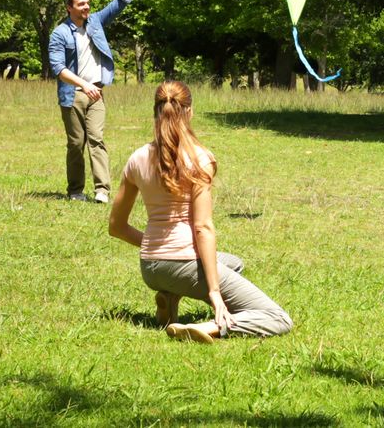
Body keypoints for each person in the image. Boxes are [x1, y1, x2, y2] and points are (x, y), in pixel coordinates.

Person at [108, 81, 293, 343]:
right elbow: (202, 227)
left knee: (234, 262)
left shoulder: (137, 158)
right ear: (190, 111)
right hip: (181, 262)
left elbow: (116, 226)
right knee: (277, 318)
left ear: (156, 111)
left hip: (150, 267)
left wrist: (154, 247)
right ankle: (208, 327)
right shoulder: (199, 159)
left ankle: (169, 298)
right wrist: (215, 293)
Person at [48, 0, 144, 203]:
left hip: (97, 93)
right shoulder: (59, 33)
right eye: (81, 4)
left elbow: (120, 1)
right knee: (76, 144)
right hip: (73, 94)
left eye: (88, 3)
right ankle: (76, 191)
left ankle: (102, 190)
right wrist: (84, 85)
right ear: (69, 8)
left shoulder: (96, 23)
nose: (87, 7)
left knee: (97, 140)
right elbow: (59, 69)